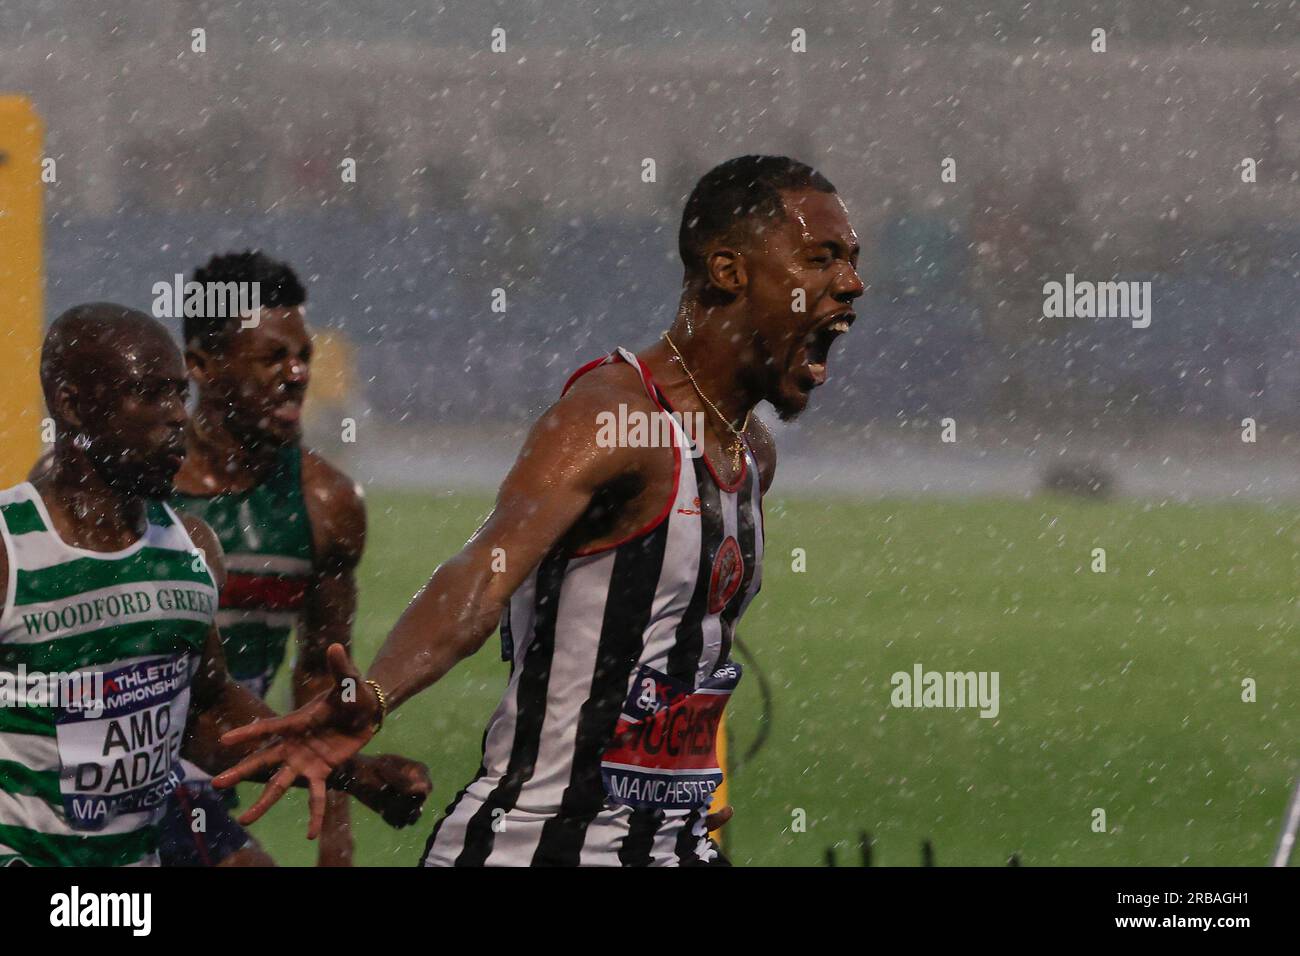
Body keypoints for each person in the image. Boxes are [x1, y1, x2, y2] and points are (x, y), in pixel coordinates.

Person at [216, 155, 863, 867]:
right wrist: (376, 694)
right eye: (821, 258)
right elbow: (482, 575)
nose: (851, 284)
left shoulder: (751, 455)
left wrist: (679, 786)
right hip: (540, 847)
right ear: (729, 271)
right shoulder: (612, 420)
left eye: (851, 261)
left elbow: (681, 657)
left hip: (672, 847)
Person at [0, 304, 429, 867]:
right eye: (150, 394)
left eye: (179, 394)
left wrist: (355, 775)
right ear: (73, 404)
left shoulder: (191, 550)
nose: (178, 416)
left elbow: (205, 710)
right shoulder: (11, 548)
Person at [155, 251, 365, 867]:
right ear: (201, 365)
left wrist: (335, 835)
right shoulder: (134, 489)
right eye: (273, 358)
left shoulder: (327, 503)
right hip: (109, 773)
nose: (298, 374)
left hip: (201, 777)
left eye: (303, 356)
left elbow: (323, 673)